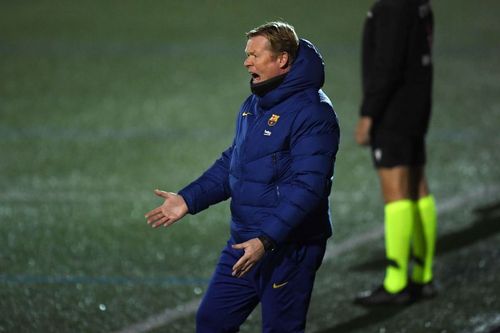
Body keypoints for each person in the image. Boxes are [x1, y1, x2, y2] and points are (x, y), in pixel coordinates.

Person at [145, 21, 340, 332]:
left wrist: (267, 239)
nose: (247, 62)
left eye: (255, 55)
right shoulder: (254, 104)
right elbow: (234, 164)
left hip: (287, 247)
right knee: (212, 322)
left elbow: (310, 187)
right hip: (243, 242)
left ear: (282, 60)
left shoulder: (313, 113)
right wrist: (188, 198)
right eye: (247, 54)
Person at [354, 0, 438, 306]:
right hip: (416, 105)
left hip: (393, 110)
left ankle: (396, 283)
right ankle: (423, 276)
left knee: (396, 193)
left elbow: (387, 66)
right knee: (418, 186)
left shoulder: (392, 6)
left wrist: (368, 114)